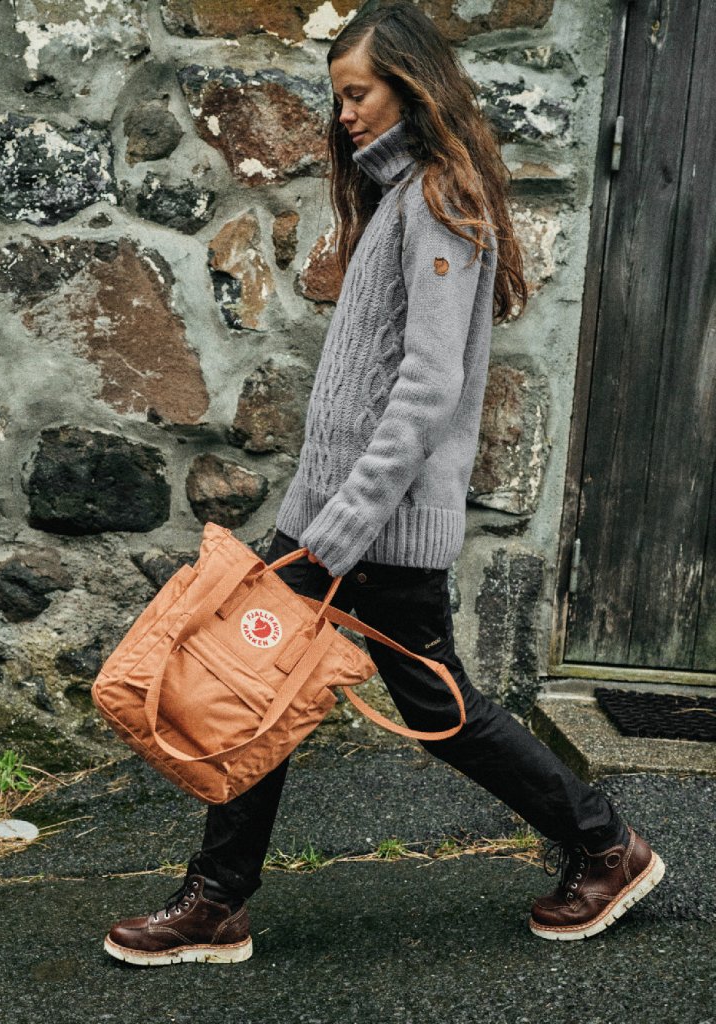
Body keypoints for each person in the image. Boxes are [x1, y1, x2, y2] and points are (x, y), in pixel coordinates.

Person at [103, 1, 664, 966]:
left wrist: (341, 529)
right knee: (260, 691)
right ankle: (218, 903)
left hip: (372, 529)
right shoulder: (402, 195)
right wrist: (319, 518)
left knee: (435, 711)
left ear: (411, 84)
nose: (346, 113)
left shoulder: (439, 198)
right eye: (340, 96)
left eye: (358, 93)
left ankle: (607, 847)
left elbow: (429, 386)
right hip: (334, 519)